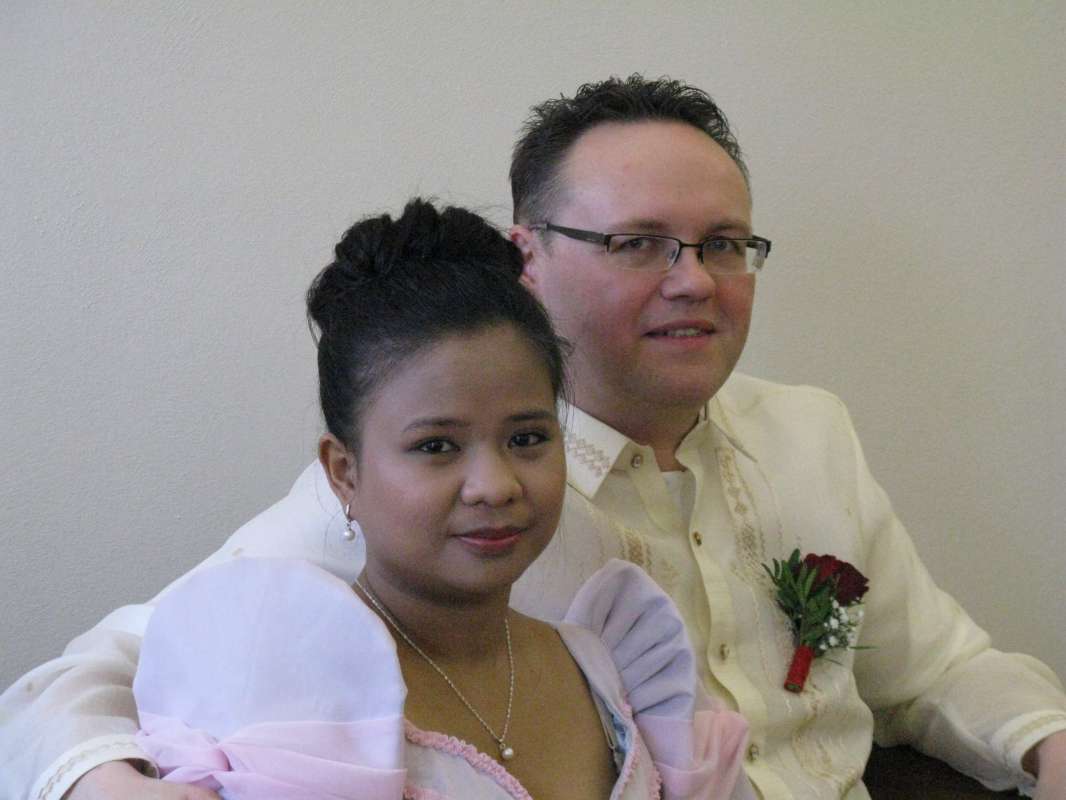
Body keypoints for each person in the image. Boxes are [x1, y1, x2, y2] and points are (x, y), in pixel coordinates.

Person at [2, 76, 1065, 800]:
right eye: (638, 242)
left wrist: (1045, 742)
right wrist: (102, 779)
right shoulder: (431, 501)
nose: (694, 280)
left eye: (724, 243)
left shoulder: (810, 429)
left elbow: (936, 668)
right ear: (528, 259)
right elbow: (79, 682)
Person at [87, 199, 756, 800]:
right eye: (437, 446)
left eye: (527, 438)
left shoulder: (616, 664)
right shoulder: (290, 705)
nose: (495, 485)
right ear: (344, 472)